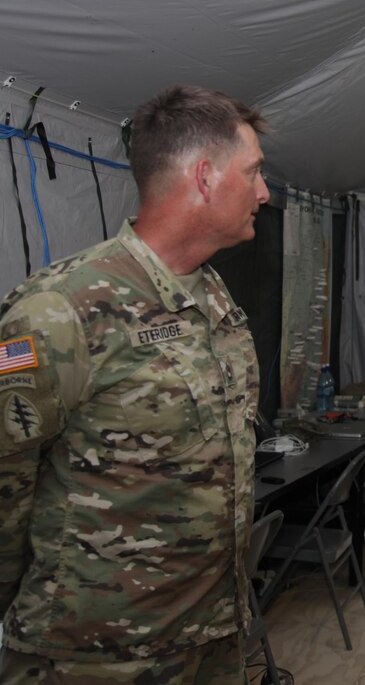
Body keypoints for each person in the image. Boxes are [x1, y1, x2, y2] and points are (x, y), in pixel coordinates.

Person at [0, 85, 268, 683]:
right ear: (205, 177)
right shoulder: (60, 309)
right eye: (253, 173)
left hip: (213, 631)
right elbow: (7, 481)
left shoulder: (215, 296)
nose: (264, 193)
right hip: (95, 653)